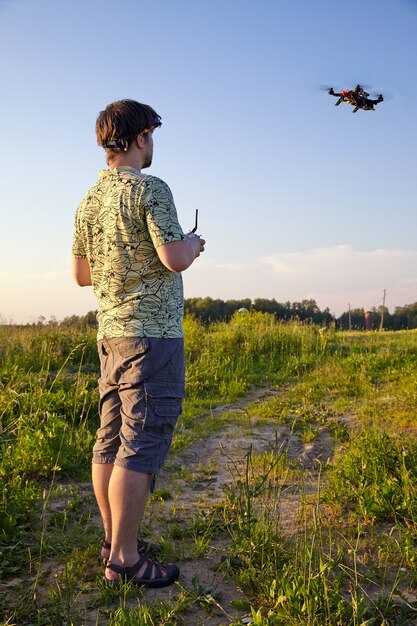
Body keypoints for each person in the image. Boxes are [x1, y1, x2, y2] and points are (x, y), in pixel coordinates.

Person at [71, 99, 205, 587]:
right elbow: (174, 258)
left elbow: (82, 275)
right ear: (142, 136)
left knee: (109, 440)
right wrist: (194, 243)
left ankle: (113, 541)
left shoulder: (88, 200)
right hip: (153, 337)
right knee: (141, 443)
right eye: (152, 136)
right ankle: (125, 559)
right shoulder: (152, 189)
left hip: (110, 335)